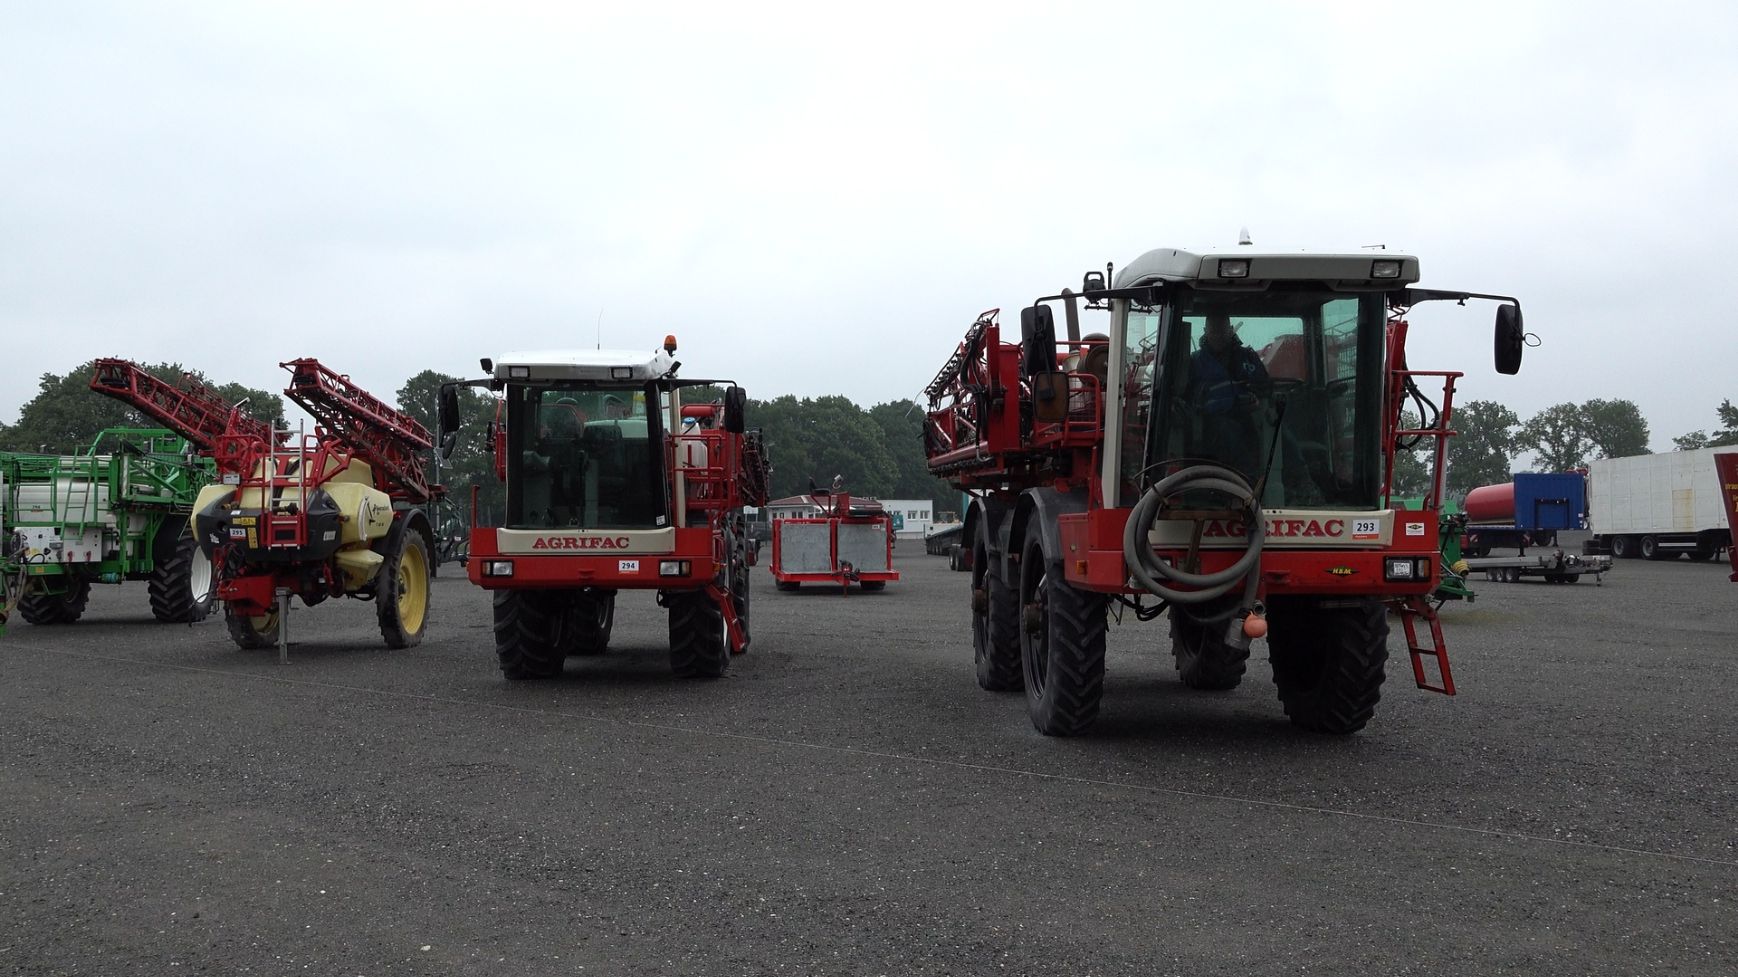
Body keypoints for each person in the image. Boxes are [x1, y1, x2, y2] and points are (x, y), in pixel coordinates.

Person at [1187, 315, 1271, 479]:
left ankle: (1301, 478)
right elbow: (1193, 400)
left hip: (1254, 416)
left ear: (1231, 330)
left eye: (1223, 331)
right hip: (1211, 423)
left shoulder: (1248, 357)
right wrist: (1232, 403)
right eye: (1214, 331)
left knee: (1279, 430)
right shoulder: (1195, 362)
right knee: (1228, 431)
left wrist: (1257, 397)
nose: (1218, 336)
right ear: (1205, 331)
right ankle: (1248, 481)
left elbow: (1265, 386)